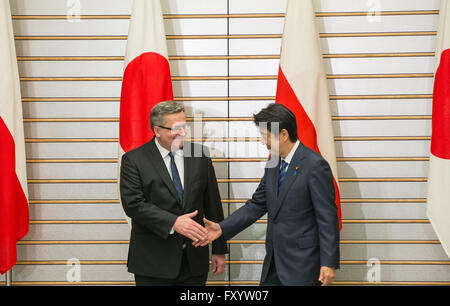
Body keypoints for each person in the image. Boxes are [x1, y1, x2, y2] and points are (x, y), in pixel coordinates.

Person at [200, 103, 340, 286]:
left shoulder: (315, 165)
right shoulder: (274, 163)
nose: (262, 142)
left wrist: (328, 263)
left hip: (303, 265)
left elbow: (327, 217)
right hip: (274, 263)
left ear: (283, 135)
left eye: (265, 136)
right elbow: (256, 205)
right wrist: (222, 228)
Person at [120, 101, 228, 286]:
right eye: (176, 129)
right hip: (153, 263)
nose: (183, 133)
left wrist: (219, 249)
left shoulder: (199, 154)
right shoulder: (134, 160)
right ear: (157, 130)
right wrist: (173, 222)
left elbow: (212, 204)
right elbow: (134, 204)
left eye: (185, 126)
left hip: (194, 261)